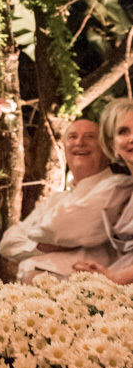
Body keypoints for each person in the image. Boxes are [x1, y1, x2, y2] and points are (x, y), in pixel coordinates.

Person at [0, 118, 133, 281]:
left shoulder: (117, 185)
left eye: (90, 136)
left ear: (106, 148)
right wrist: (40, 246)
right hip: (33, 289)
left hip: (87, 288)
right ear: (65, 148)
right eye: (72, 137)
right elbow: (7, 243)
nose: (80, 142)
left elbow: (58, 229)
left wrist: (34, 232)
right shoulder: (56, 199)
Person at [73, 99, 133, 283]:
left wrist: (116, 277)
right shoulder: (121, 193)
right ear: (112, 145)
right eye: (123, 131)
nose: (132, 138)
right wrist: (103, 273)